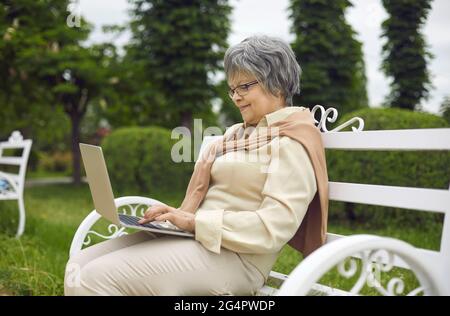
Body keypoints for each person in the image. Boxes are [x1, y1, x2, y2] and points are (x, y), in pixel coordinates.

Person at [64, 35, 328, 296]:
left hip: (237, 259)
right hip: (198, 240)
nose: (236, 97)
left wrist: (194, 222)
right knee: (78, 266)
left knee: (94, 278)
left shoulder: (292, 141)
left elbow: (273, 227)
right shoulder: (237, 134)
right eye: (232, 89)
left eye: (245, 87)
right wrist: (176, 215)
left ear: (278, 85)